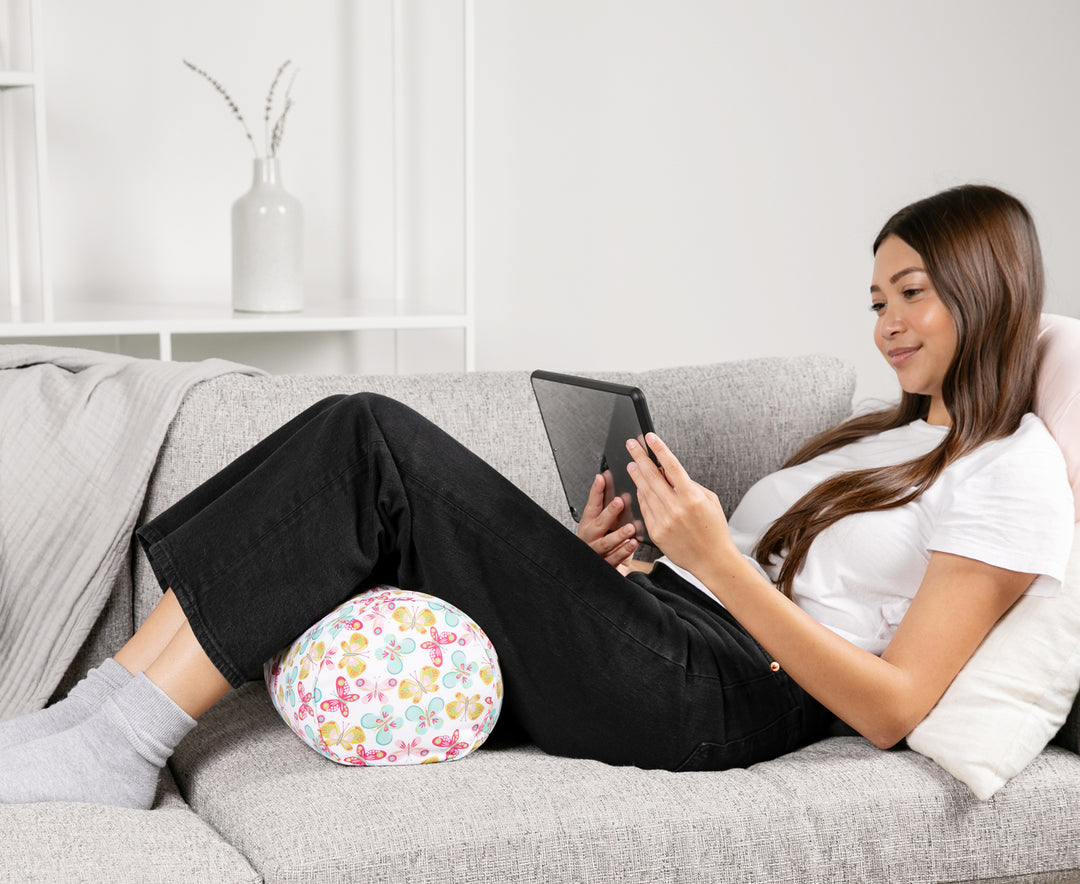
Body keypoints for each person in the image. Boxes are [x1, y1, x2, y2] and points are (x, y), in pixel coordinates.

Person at [0, 184, 1072, 808]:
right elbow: (726, 583)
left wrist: (718, 566)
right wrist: (622, 559)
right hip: (676, 625)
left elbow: (894, 709)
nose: (886, 322)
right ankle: (101, 710)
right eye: (877, 298)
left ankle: (121, 743)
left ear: (989, 286)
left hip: (731, 695)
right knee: (348, 433)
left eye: (914, 293)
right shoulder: (879, 436)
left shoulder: (1008, 469)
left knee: (368, 435)